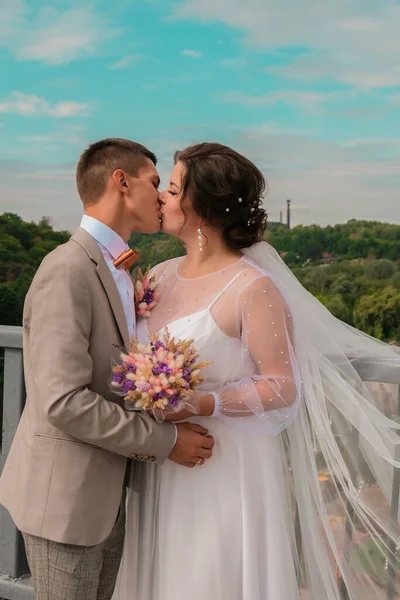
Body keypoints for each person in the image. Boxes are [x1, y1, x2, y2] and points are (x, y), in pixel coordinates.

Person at [113, 142, 400, 600]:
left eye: (170, 189)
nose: (162, 199)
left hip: (221, 464)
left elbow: (282, 385)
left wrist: (203, 401)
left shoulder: (253, 287)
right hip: (160, 461)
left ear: (200, 207)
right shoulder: (160, 277)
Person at [0, 138, 214, 600]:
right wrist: (167, 441)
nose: (161, 197)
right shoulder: (67, 269)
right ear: (121, 182)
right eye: (155, 183)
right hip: (66, 503)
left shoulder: (124, 270)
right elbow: (64, 401)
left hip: (110, 496)